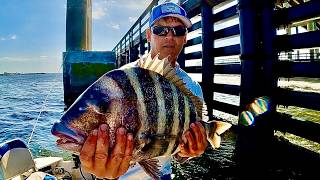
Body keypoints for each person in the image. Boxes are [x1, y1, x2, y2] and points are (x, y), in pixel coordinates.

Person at [79, 2, 207, 179]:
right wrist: (101, 170)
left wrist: (188, 152)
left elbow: (178, 153)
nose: (169, 36)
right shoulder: (124, 79)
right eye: (160, 30)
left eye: (177, 30)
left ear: (185, 37)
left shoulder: (192, 87)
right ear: (148, 35)